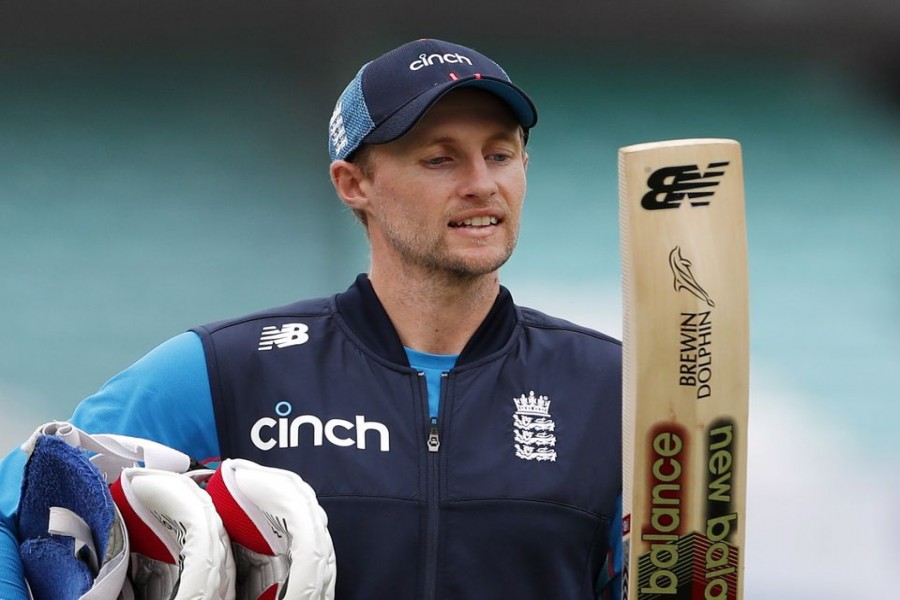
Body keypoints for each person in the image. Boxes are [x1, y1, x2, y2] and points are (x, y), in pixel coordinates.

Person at [0, 38, 622, 599]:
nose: (482, 184)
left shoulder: (613, 386)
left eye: (501, 155)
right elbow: (26, 499)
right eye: (440, 159)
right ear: (354, 183)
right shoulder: (228, 368)